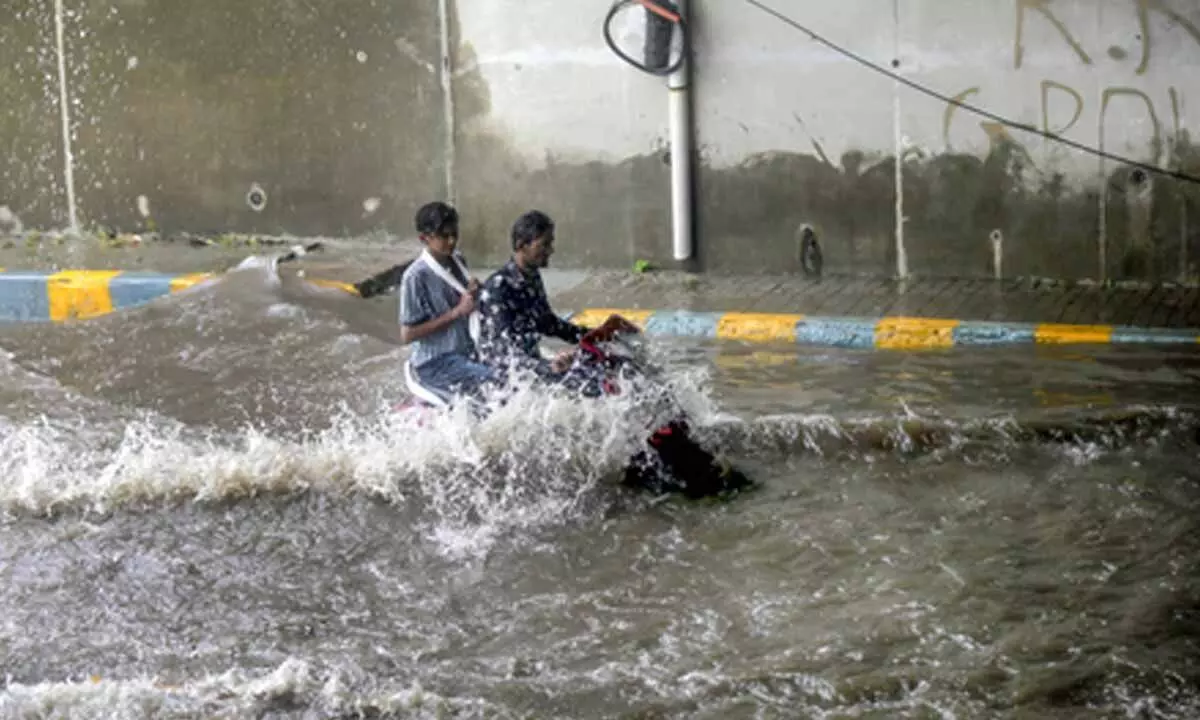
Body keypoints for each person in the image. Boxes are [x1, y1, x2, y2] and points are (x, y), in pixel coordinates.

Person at [476, 209, 640, 397]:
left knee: (610, 370)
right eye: (544, 244)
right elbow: (505, 354)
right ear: (522, 245)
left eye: (550, 243)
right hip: (507, 379)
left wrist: (596, 336)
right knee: (595, 388)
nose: (551, 250)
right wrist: (550, 365)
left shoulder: (531, 276)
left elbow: (549, 324)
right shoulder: (498, 289)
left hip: (533, 368)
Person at [396, 201, 500, 407]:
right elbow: (407, 335)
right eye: (444, 236)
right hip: (434, 363)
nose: (451, 241)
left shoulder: (457, 259)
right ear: (424, 238)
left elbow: (464, 301)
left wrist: (473, 291)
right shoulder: (415, 277)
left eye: (454, 234)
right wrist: (457, 312)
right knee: (495, 381)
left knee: (511, 367)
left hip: (462, 353)